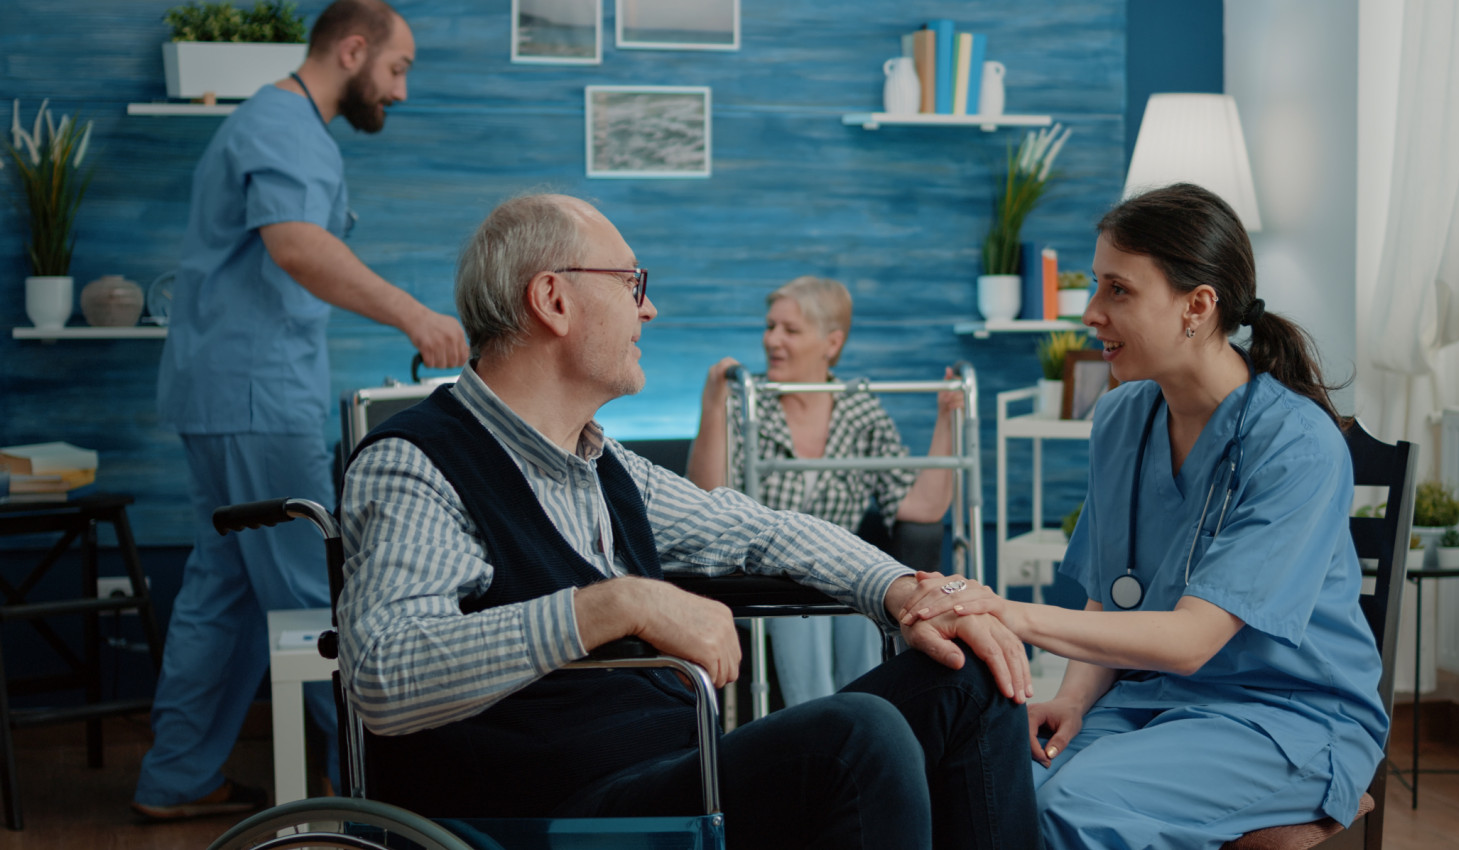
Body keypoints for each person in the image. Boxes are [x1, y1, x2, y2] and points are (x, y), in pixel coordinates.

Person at [336, 192, 1040, 850]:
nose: (650, 311)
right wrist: (617, 604)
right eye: (631, 285)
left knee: (970, 675)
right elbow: (386, 678)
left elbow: (760, 529)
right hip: (548, 814)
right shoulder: (416, 463)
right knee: (856, 734)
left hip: (674, 776)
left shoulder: (602, 462)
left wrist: (908, 592)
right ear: (553, 299)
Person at [898, 183, 1387, 849]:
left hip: (1286, 721)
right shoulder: (1122, 416)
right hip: (1151, 704)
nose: (1091, 313)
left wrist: (1010, 613)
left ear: (1198, 306)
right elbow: (1113, 592)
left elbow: (1192, 640)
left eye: (1117, 291)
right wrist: (1072, 698)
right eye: (1096, 287)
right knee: (989, 788)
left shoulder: (1296, 446)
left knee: (1065, 808)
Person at [138, 0, 467, 820]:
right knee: (310, 590)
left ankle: (178, 780)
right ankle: (372, 790)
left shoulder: (272, 122)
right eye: (396, 69)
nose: (399, 90)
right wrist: (415, 316)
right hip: (255, 395)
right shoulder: (285, 124)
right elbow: (297, 245)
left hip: (224, 393)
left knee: (225, 589)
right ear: (352, 51)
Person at [685, 276, 964, 706]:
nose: (772, 340)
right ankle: (815, 735)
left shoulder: (860, 408)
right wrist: (713, 405)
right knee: (806, 608)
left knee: (863, 597)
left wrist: (946, 420)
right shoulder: (744, 402)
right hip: (762, 574)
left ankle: (868, 727)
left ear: (831, 343)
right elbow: (707, 499)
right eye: (770, 326)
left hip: (836, 571)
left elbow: (919, 506)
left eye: (790, 330)